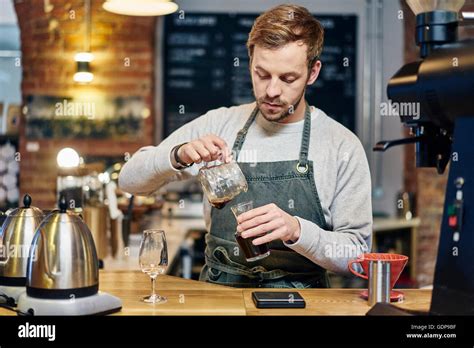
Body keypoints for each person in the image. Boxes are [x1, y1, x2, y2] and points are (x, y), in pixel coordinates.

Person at [119, 4, 372, 288]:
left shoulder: (341, 145)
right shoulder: (219, 123)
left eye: (288, 78)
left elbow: (359, 256)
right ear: (250, 61)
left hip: (303, 302)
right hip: (219, 298)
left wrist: (297, 231)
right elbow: (129, 181)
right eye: (261, 74)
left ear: (313, 73)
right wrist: (177, 155)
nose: (271, 91)